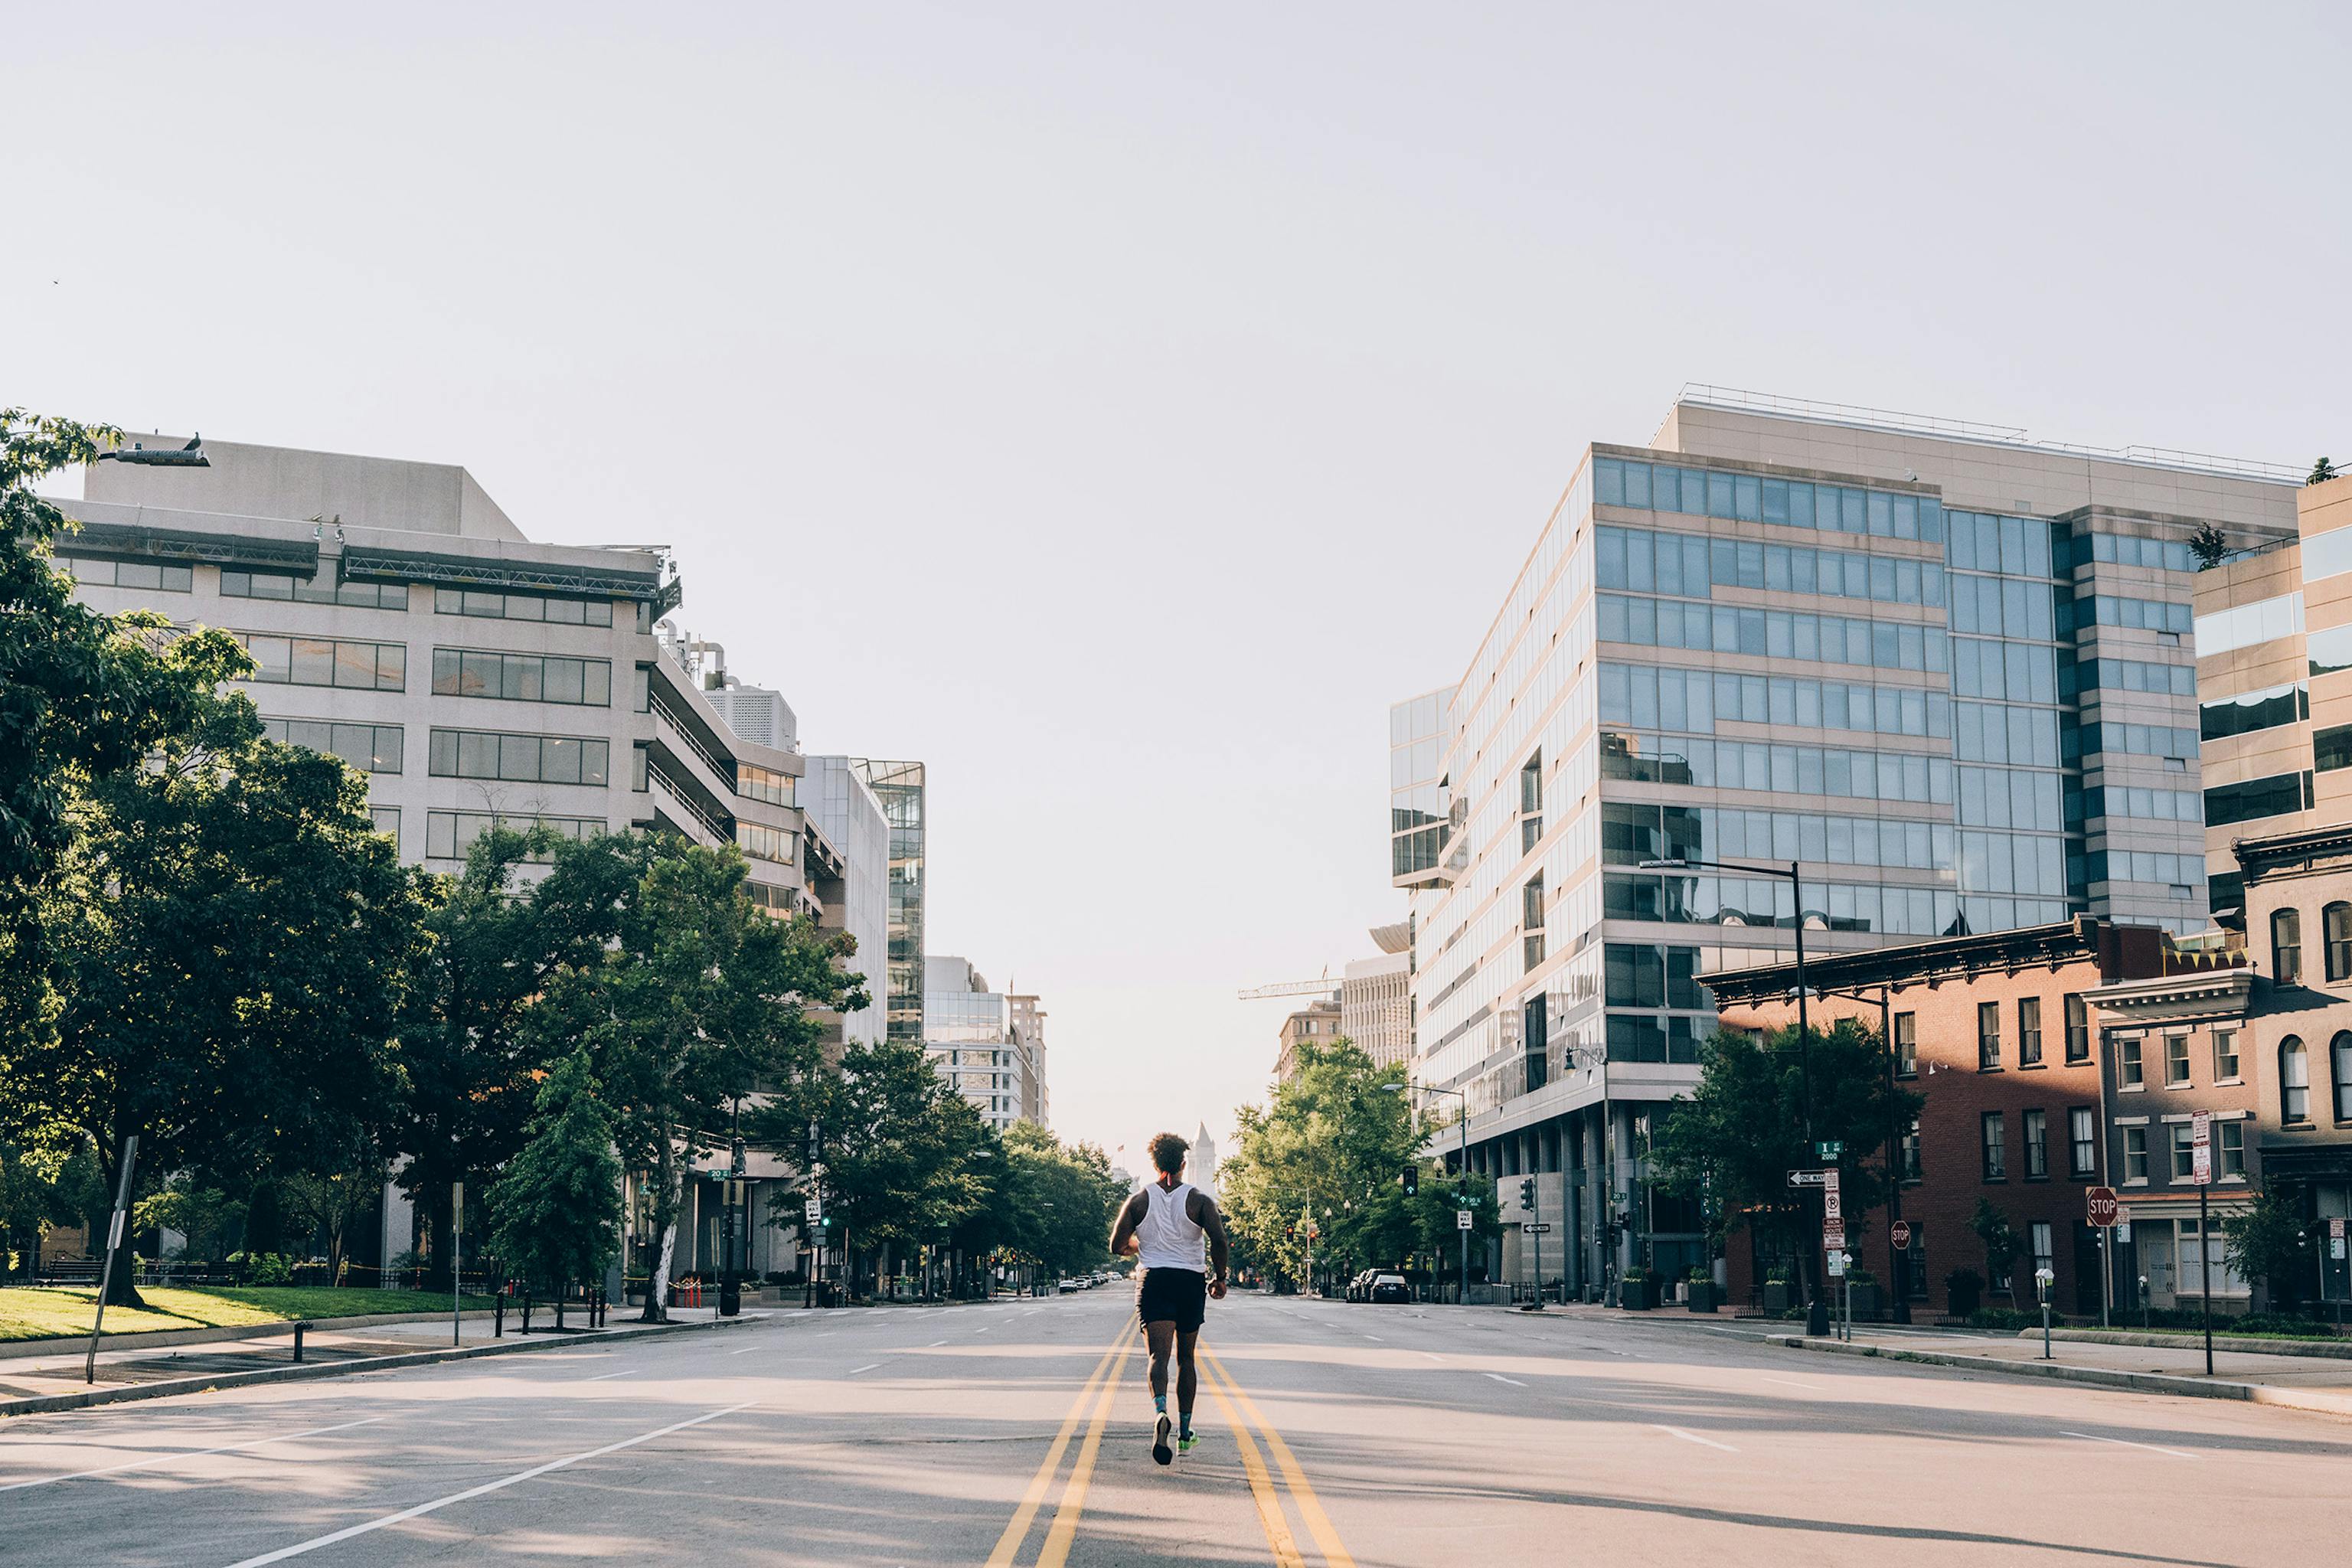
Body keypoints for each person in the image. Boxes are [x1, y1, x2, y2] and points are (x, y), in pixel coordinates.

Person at [1109, 1130, 1230, 1465]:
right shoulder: (1199, 1200)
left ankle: (1161, 1411)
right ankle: (1187, 1432)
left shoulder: (1138, 1201)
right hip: (1189, 1281)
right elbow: (1219, 1240)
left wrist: (1140, 1246)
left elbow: (1116, 1245)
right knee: (1186, 1360)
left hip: (1154, 1280)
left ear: (1154, 1163)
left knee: (1156, 1357)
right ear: (1182, 1163)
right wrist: (1220, 1278)